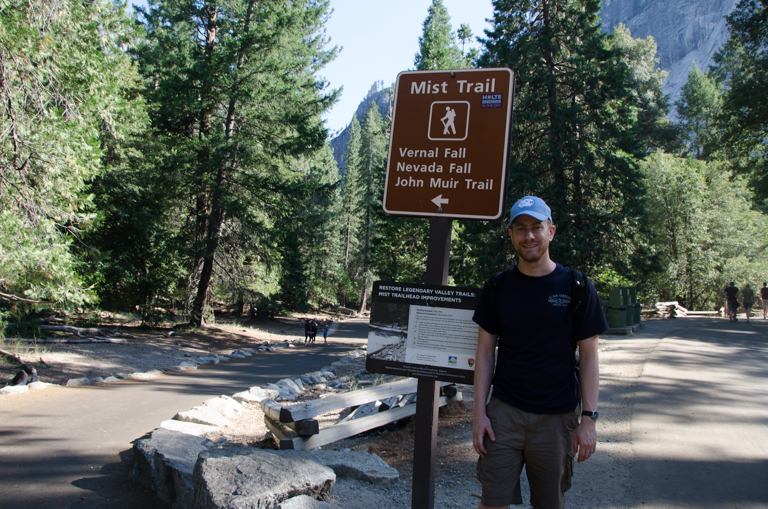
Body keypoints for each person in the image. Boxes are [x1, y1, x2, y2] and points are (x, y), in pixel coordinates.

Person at [472, 196, 608, 509]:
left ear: (551, 231)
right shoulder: (497, 287)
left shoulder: (577, 287)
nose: (528, 236)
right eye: (520, 229)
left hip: (557, 416)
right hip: (504, 413)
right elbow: (484, 352)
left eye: (536, 227)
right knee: (492, 502)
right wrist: (479, 414)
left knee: (549, 503)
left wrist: (589, 419)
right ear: (511, 235)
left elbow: (589, 357)